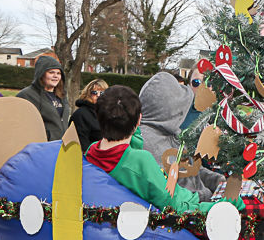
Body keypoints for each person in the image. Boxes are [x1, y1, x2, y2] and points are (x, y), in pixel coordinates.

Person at [86, 85, 214, 214]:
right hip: (184, 204)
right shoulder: (140, 161)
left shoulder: (92, 150)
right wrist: (217, 205)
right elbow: (173, 205)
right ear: (139, 120)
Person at [139, 72, 224, 201]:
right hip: (189, 211)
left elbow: (193, 169)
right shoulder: (147, 142)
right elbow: (174, 192)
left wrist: (218, 181)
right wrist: (209, 196)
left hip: (200, 201)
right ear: (171, 110)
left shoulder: (173, 132)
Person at [16, 56, 70, 141]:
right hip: (41, 146)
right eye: (51, 72)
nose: (56, 76)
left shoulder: (62, 95)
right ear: (41, 74)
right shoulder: (27, 95)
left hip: (61, 146)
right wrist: (47, 136)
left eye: (58, 73)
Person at [68, 79, 108, 152]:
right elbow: (81, 144)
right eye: (94, 92)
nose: (98, 95)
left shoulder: (107, 113)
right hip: (90, 158)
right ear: (88, 94)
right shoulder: (80, 114)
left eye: (102, 93)